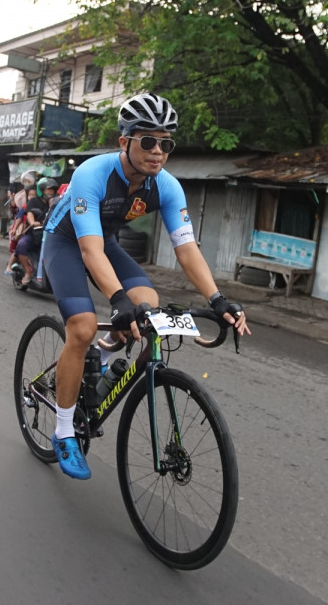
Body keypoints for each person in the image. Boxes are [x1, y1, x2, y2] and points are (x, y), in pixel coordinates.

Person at [39, 93, 250, 480]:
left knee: (148, 306)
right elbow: (88, 250)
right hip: (67, 242)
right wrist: (117, 299)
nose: (157, 151)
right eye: (148, 141)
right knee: (83, 327)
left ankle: (103, 354)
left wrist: (218, 299)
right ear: (125, 141)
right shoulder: (92, 174)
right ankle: (65, 431)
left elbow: (186, 249)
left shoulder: (167, 187)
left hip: (107, 243)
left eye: (166, 144)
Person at [12, 176, 52, 282]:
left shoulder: (55, 203)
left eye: (52, 190)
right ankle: (28, 271)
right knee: (21, 245)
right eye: (48, 189)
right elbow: (29, 214)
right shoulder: (33, 201)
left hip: (50, 235)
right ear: (41, 190)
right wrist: (33, 222)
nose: (51, 192)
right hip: (34, 234)